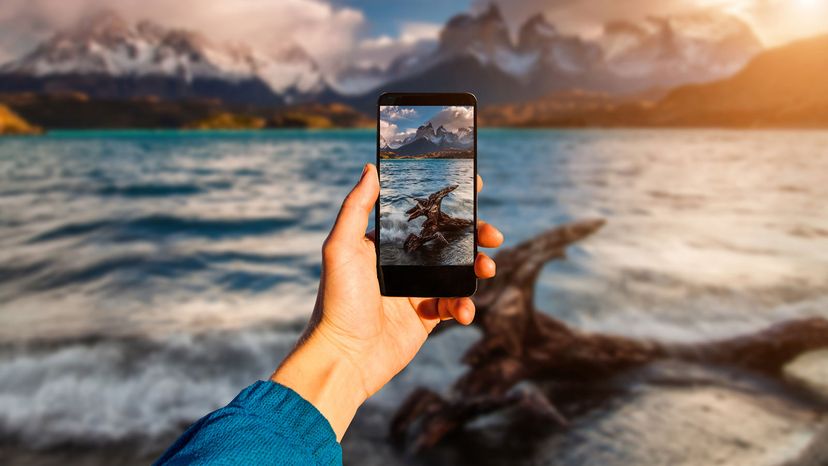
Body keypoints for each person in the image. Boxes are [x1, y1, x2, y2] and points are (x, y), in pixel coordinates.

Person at [155, 164, 503, 465]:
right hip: (279, 430)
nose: (424, 210)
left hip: (276, 427)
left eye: (426, 208)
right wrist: (343, 351)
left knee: (462, 238)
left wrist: (343, 351)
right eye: (424, 208)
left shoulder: (431, 215)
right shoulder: (425, 215)